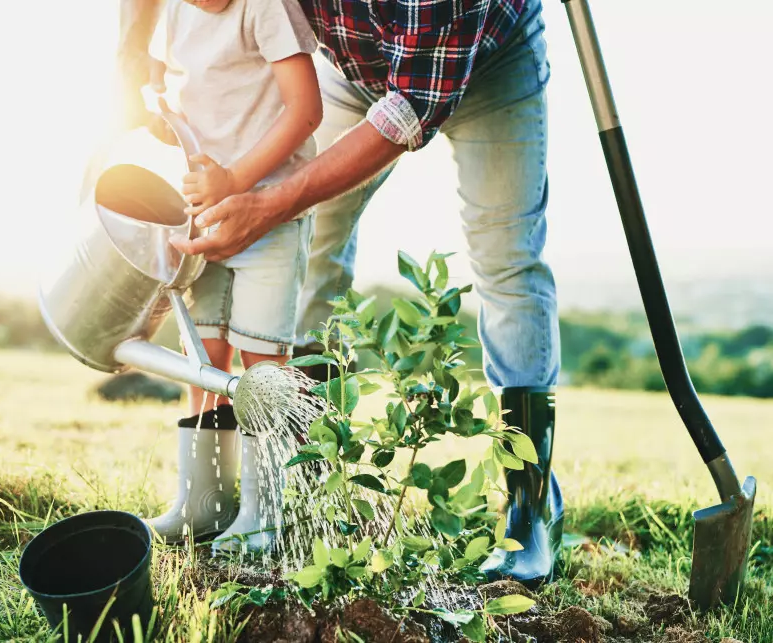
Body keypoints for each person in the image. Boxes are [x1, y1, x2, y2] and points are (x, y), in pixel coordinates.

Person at [120, 0, 563, 586]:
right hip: (350, 66)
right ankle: (296, 486)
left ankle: (531, 509)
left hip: (485, 62)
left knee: (506, 264)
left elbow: (412, 106)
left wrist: (276, 201)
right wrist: (131, 51)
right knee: (312, 257)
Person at [119, 0, 323, 554]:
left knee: (262, 370)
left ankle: (263, 514)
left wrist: (235, 178)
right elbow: (194, 97)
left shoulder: (266, 9)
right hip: (205, 220)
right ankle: (203, 503)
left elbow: (306, 110)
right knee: (203, 359)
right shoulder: (175, 14)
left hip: (270, 219)